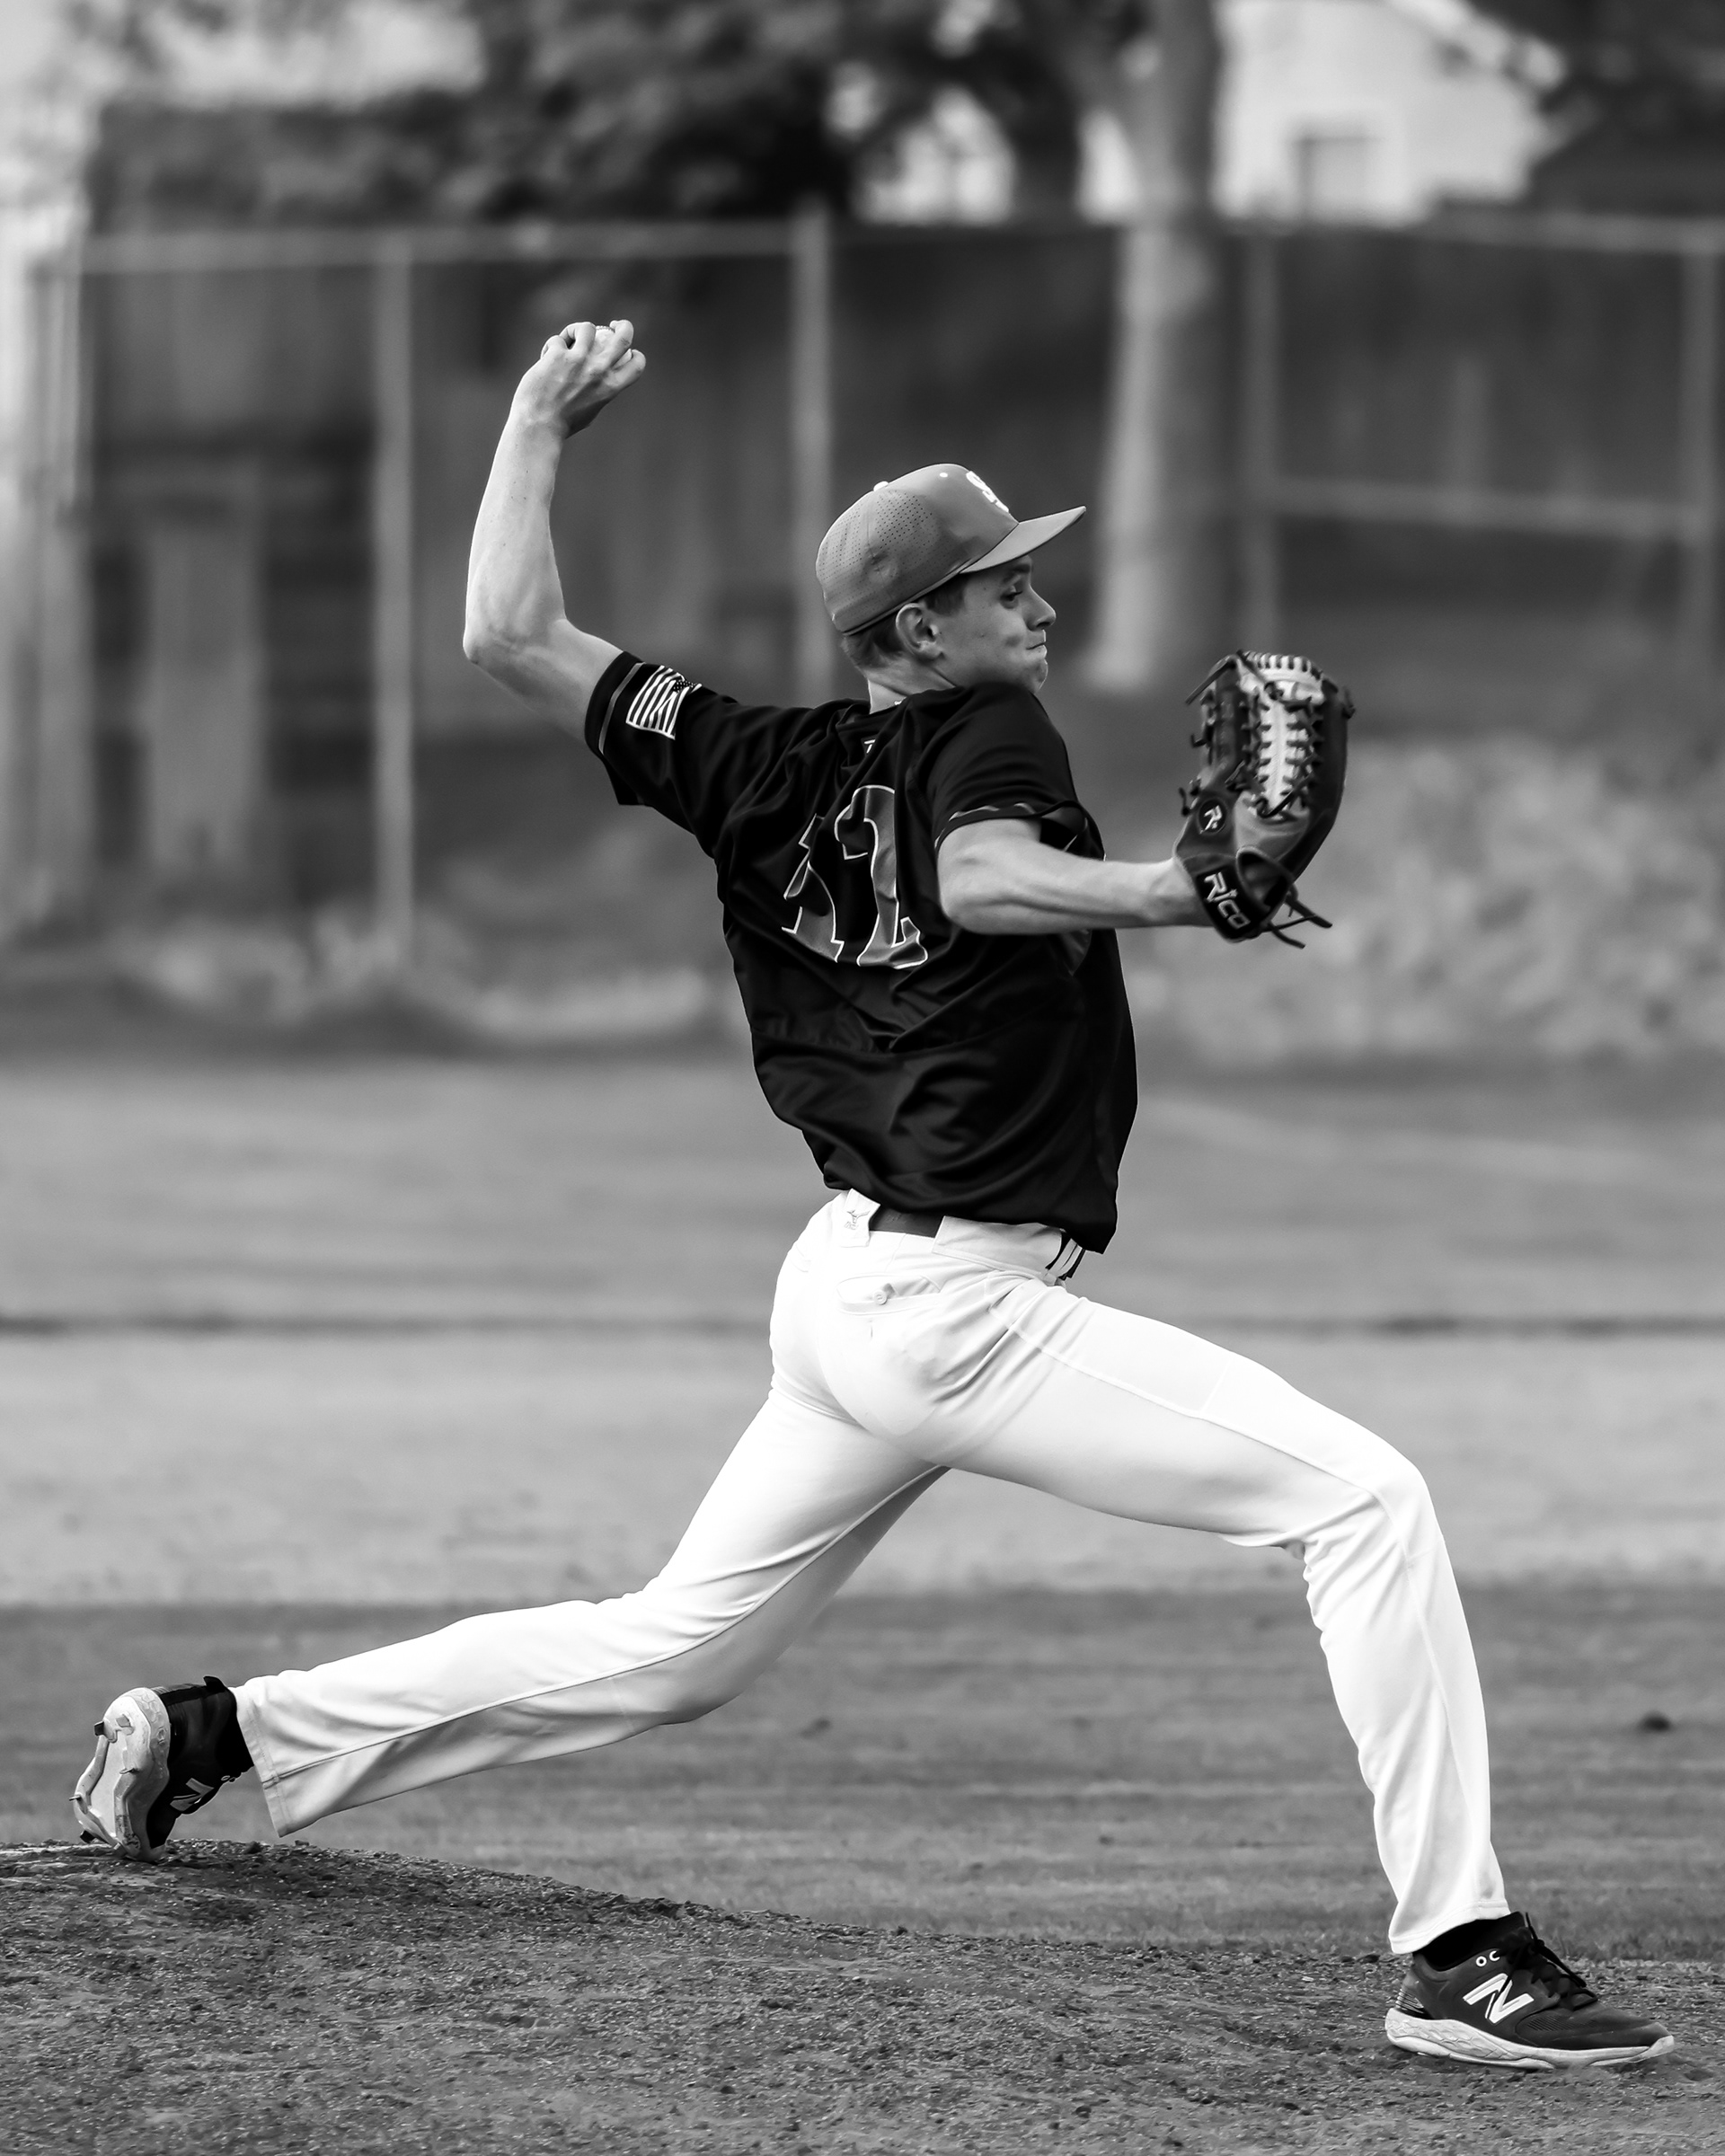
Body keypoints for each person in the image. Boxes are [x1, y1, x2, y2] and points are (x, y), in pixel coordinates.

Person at [74, 319, 1670, 2072]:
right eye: (1001, 584)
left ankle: (221, 1733)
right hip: (958, 1309)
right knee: (1367, 1503)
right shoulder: (988, 730)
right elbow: (980, 876)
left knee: (674, 1652)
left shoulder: (750, 758)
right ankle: (1462, 1952)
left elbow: (507, 633)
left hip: (846, 1289)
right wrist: (1171, 889)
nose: (1035, 605)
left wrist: (533, 421)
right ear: (920, 632)